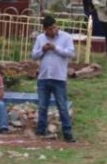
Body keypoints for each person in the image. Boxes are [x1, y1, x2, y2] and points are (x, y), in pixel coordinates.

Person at [32, 15, 76, 143]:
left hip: (59, 78)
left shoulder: (66, 37)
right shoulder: (40, 38)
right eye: (50, 29)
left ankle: (67, 133)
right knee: (42, 106)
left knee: (62, 106)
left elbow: (71, 53)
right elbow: (34, 55)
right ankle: (41, 131)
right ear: (45, 29)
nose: (54, 30)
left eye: (55, 27)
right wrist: (43, 49)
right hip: (44, 77)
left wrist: (55, 48)